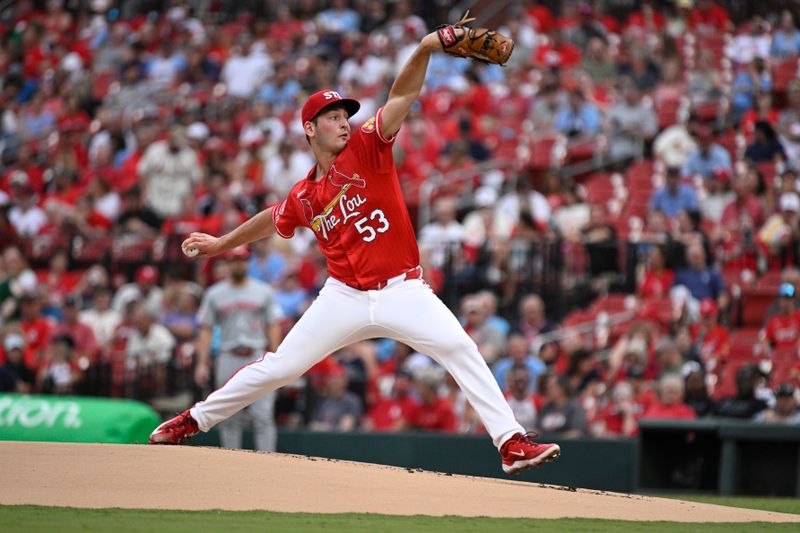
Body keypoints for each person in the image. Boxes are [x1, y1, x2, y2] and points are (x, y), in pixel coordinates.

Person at [149, 27, 560, 474]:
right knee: (281, 367)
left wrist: (425, 48)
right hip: (343, 296)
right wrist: (221, 245)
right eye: (332, 116)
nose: (344, 121)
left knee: (460, 348)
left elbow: (402, 96)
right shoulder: (305, 194)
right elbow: (273, 217)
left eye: (345, 113)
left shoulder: (367, 145)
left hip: (404, 290)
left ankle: (510, 442)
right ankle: (192, 420)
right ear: (310, 129)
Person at [194, 245, 283, 452]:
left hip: (256, 353)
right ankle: (231, 462)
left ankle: (268, 461)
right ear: (227, 263)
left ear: (247, 262)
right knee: (229, 415)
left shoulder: (263, 291)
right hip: (228, 355)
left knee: (263, 414)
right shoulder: (215, 293)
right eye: (234, 260)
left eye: (242, 259)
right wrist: (202, 363)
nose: (238, 264)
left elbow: (273, 325)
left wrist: (277, 356)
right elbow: (205, 330)